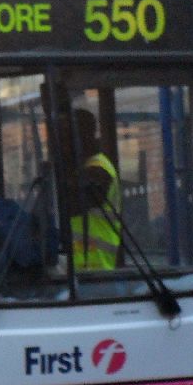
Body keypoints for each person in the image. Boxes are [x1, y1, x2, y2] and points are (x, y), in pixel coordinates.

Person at [69, 108, 120, 270]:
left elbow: (71, 204)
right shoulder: (79, 168)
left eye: (67, 136)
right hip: (75, 271)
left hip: (96, 270)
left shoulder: (98, 170)